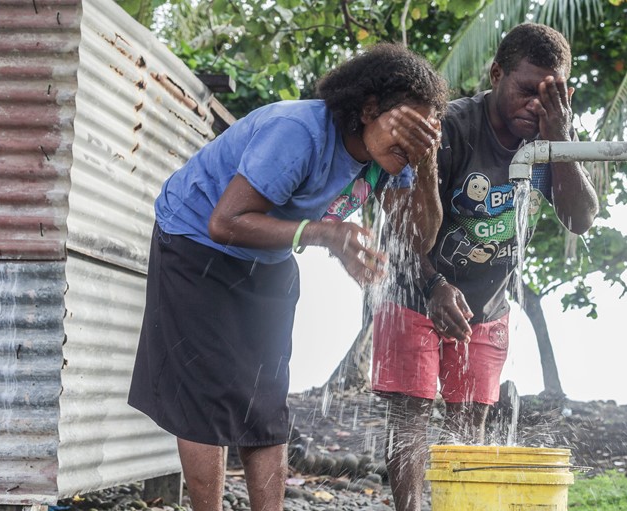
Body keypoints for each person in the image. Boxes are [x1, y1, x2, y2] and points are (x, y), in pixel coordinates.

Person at [127, 42, 448, 511]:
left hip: (270, 253)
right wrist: (325, 235)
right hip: (195, 240)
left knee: (265, 399)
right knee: (205, 397)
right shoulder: (297, 131)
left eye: (423, 134)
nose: (410, 145)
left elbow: (418, 238)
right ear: (369, 108)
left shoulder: (395, 161)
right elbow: (226, 222)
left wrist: (427, 163)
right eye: (406, 129)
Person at [371, 23, 600, 511]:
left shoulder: (548, 137)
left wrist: (558, 137)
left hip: (487, 303)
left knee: (469, 420)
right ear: (496, 74)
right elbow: (404, 227)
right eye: (524, 90)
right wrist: (433, 284)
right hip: (416, 287)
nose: (535, 105)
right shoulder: (453, 128)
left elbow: (579, 218)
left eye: (549, 93)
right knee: (411, 410)